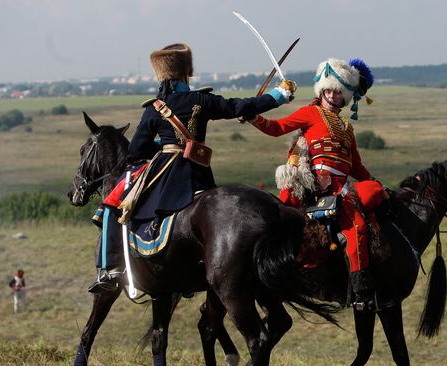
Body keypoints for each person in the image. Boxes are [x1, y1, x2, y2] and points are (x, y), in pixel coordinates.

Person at [89, 43, 296, 293]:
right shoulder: (202, 100)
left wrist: (162, 143)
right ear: (188, 71)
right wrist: (277, 97)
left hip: (165, 178)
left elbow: (135, 152)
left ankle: (111, 270)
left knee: (114, 203)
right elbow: (239, 106)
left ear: (162, 75)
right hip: (199, 175)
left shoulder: (154, 107)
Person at [249, 58, 387, 310]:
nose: (333, 95)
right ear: (322, 90)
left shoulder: (346, 128)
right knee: (356, 227)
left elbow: (356, 167)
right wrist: (254, 118)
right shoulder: (311, 113)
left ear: (345, 96)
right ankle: (361, 292)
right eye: (329, 90)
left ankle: (359, 288)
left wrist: (376, 184)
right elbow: (277, 127)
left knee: (369, 209)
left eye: (338, 92)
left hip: (342, 188)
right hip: (317, 187)